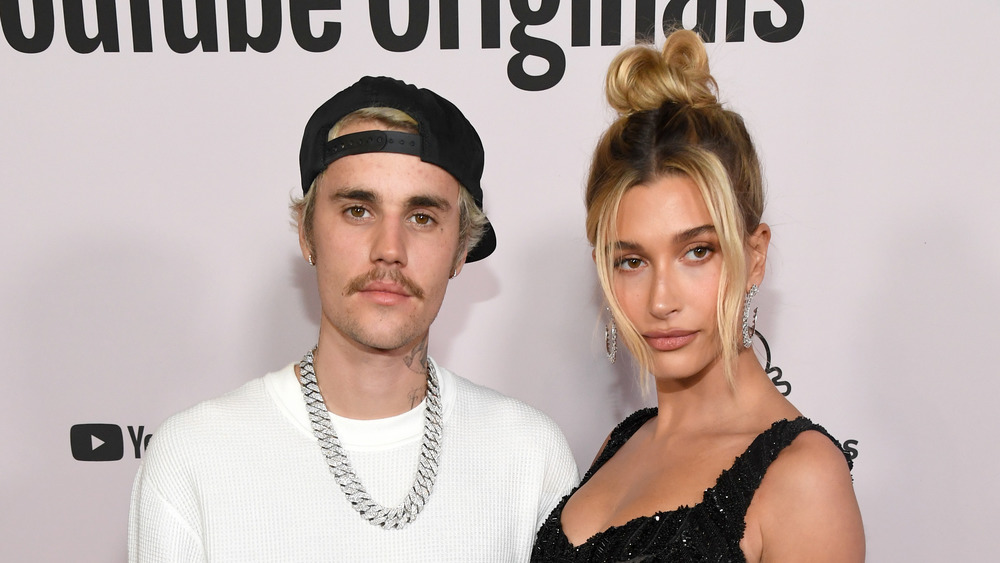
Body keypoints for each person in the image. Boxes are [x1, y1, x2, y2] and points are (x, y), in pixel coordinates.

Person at [128, 76, 578, 562]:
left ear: (459, 251)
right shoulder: (193, 459)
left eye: (422, 217)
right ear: (307, 235)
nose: (389, 249)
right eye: (358, 210)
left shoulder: (531, 456)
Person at [531, 30, 864, 562]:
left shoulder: (803, 477)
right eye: (632, 261)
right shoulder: (622, 443)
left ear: (754, 257)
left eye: (697, 252)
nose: (661, 300)